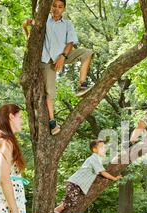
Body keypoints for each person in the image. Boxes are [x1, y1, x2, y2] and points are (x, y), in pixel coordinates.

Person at [23, 0, 94, 135]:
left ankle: (82, 85)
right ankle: (53, 123)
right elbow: (30, 41)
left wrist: (63, 57)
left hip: (64, 55)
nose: (56, 9)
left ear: (64, 9)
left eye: (60, 7)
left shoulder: (67, 24)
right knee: (50, 92)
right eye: (54, 6)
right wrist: (24, 27)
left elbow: (70, 42)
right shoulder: (43, 21)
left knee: (87, 53)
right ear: (50, 7)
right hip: (48, 60)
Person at [53, 139, 121, 213]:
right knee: (72, 201)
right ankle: (55, 211)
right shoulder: (94, 158)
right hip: (75, 183)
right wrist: (114, 178)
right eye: (101, 147)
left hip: (77, 184)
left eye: (104, 147)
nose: (104, 149)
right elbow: (103, 172)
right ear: (94, 150)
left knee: (69, 200)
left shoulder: (97, 159)